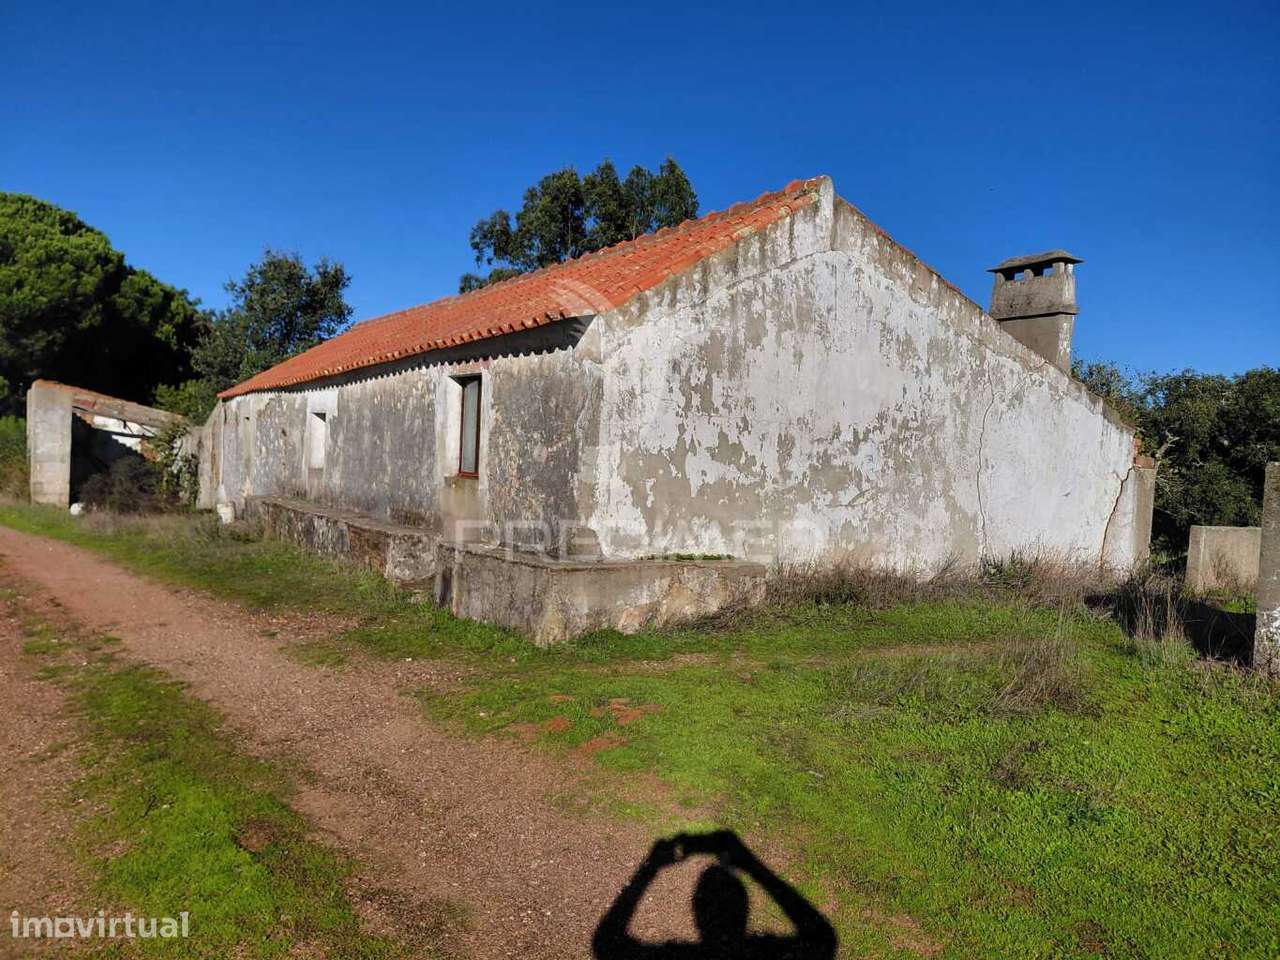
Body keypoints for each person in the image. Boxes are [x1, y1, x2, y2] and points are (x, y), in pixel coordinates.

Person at [592, 829, 837, 959]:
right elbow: (823, 940)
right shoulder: (763, 954)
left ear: (695, 910)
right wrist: (752, 866)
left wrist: (651, 867)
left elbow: (606, 944)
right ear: (745, 909)